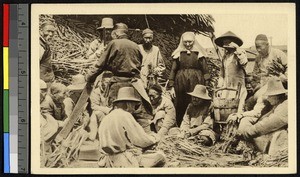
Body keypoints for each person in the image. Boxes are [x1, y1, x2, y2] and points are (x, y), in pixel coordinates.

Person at [86, 22, 153, 133]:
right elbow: (140, 63)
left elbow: (100, 64)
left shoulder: (114, 43)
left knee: (116, 111)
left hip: (118, 83)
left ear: (116, 33)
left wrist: (89, 77)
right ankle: (143, 136)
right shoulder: (135, 45)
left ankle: (117, 138)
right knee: (135, 111)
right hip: (134, 83)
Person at [98, 87, 166, 167]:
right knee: (160, 157)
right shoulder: (125, 115)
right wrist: (155, 138)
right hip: (122, 161)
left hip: (105, 160)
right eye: (134, 105)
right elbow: (140, 140)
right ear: (128, 104)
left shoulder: (107, 117)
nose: (134, 109)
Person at [234, 78, 288, 155]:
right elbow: (264, 118)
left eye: (270, 96)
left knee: (278, 134)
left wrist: (246, 133)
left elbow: (267, 124)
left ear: (277, 96)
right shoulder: (276, 105)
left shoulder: (285, 107)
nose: (268, 98)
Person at [168, 31, 210, 126]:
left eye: (190, 42)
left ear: (194, 41)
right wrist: (171, 86)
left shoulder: (199, 54)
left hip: (196, 81)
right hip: (180, 82)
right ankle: (179, 125)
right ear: (182, 42)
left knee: (195, 101)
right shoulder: (178, 54)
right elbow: (173, 70)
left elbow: (205, 70)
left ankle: (196, 124)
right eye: (185, 42)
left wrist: (206, 86)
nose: (188, 44)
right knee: (180, 103)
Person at [214, 31, 248, 113]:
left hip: (238, 86)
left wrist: (237, 49)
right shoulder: (225, 57)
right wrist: (220, 88)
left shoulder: (240, 53)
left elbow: (244, 62)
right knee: (225, 108)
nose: (226, 45)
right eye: (224, 43)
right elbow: (222, 74)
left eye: (228, 42)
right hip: (226, 87)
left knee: (237, 108)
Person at [251, 34, 288, 102]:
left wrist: (284, 77)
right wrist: (257, 85)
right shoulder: (258, 58)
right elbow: (254, 76)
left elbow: (289, 67)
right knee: (251, 101)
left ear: (267, 44)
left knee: (261, 99)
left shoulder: (278, 54)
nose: (258, 50)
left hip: (278, 85)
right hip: (263, 86)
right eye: (256, 47)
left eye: (260, 47)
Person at [88, 71, 113, 140]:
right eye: (106, 82)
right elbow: (94, 106)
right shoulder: (96, 92)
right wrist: (107, 110)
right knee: (99, 113)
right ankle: (102, 135)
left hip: (111, 111)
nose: (108, 85)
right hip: (102, 113)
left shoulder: (112, 91)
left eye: (110, 83)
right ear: (102, 82)